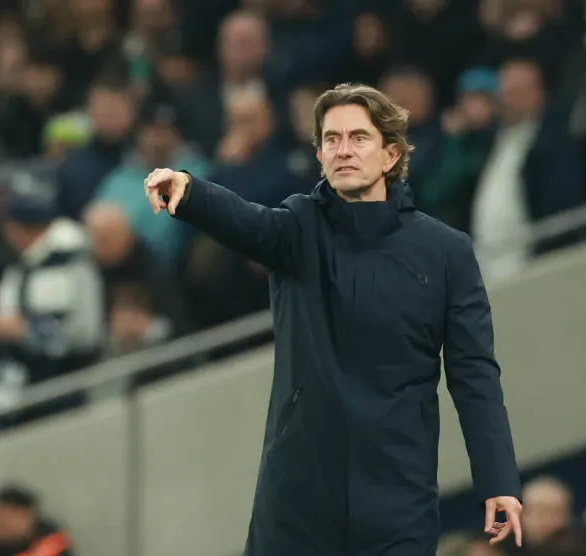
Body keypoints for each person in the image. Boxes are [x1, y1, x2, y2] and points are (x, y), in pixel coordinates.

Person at [144, 83, 522, 555]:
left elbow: (474, 375)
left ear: (390, 155)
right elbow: (246, 221)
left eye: (358, 138)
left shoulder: (447, 252)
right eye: (331, 140)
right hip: (298, 498)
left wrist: (498, 479)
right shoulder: (297, 226)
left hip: (397, 497)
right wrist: (192, 190)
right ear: (320, 156)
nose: (343, 150)